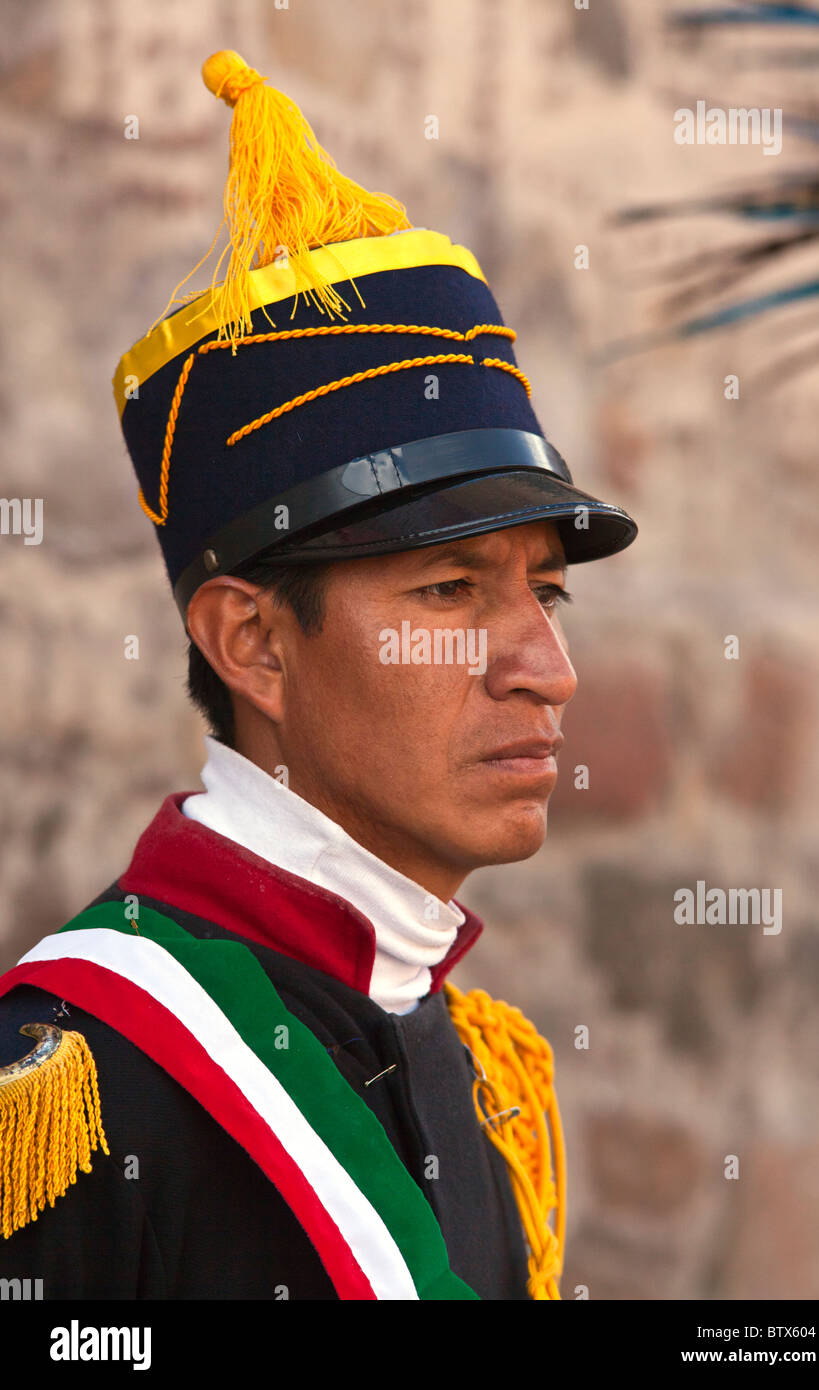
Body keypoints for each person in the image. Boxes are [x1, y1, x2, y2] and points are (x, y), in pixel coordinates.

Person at [0, 49, 636, 1301]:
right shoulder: (75, 1096)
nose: (546, 671)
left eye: (544, 593)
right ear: (252, 643)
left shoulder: (480, 1070)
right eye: (449, 591)